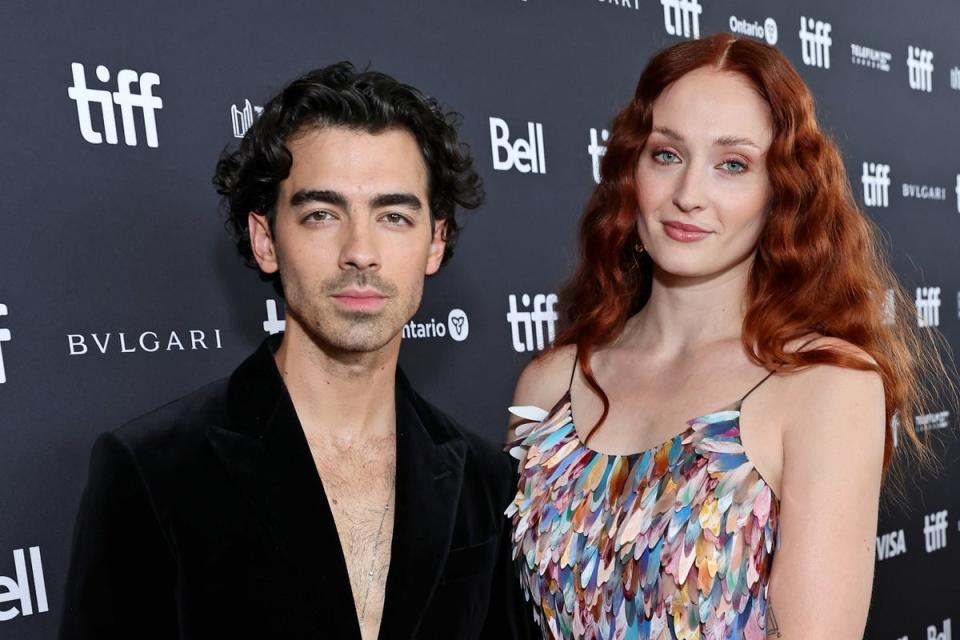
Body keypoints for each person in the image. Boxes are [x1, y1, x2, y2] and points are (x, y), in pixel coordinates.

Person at [61, 62, 528, 640]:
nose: (360, 251)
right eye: (321, 215)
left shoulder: (489, 482)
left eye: (394, 216)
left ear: (435, 242)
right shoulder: (152, 470)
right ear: (266, 240)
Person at [506, 34, 943, 639]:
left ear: (780, 193)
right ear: (632, 172)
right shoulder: (551, 383)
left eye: (732, 165)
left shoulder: (826, 386)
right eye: (666, 155)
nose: (689, 194)